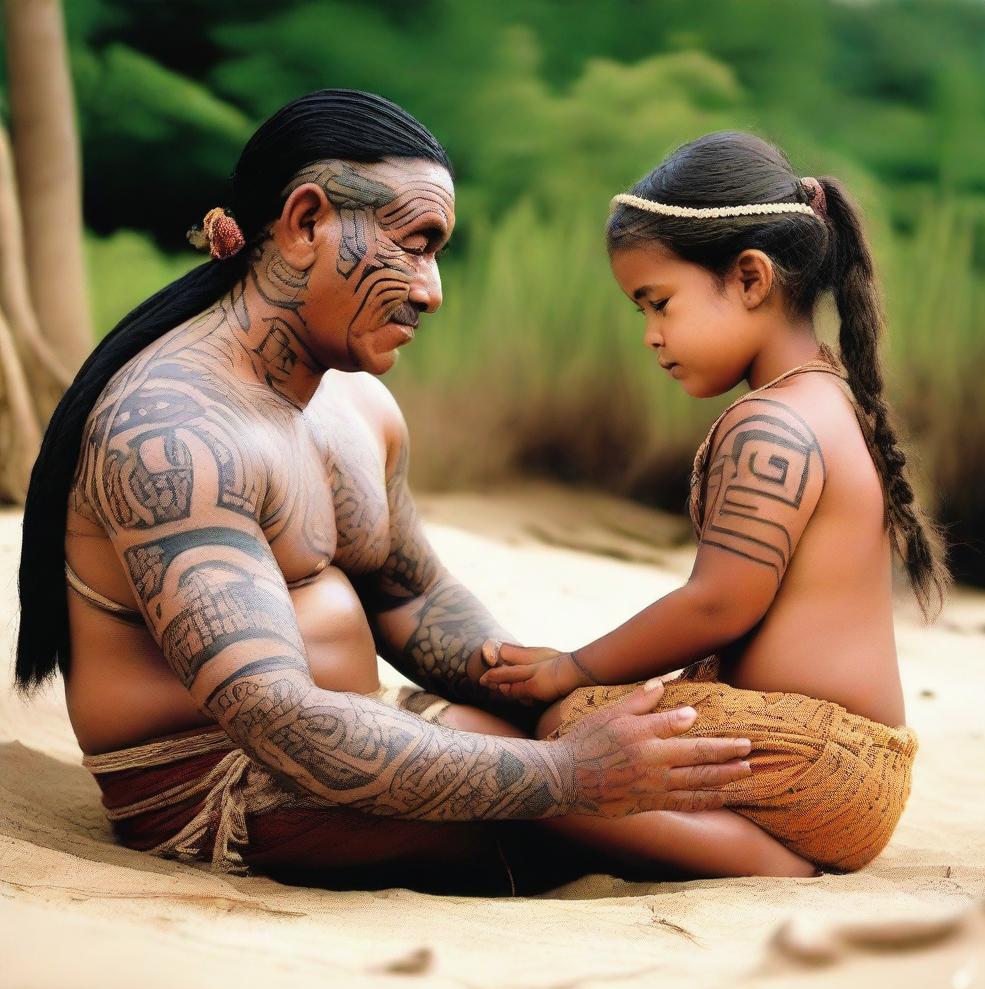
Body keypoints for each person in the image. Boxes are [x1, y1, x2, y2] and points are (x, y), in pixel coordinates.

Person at [13, 91, 754, 896]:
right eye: (416, 245)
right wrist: (570, 773)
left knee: (611, 762)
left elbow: (411, 594)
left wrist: (554, 682)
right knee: (614, 828)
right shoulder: (173, 435)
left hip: (359, 721)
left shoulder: (356, 403)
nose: (432, 291)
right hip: (229, 785)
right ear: (305, 223)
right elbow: (282, 721)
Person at [478, 131, 950, 877]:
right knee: (594, 721)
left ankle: (769, 863)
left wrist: (573, 668)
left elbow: (717, 606)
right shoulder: (828, 399)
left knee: (568, 735)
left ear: (751, 278)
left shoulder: (772, 425)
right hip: (852, 766)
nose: (651, 337)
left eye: (658, 304)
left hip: (808, 761)